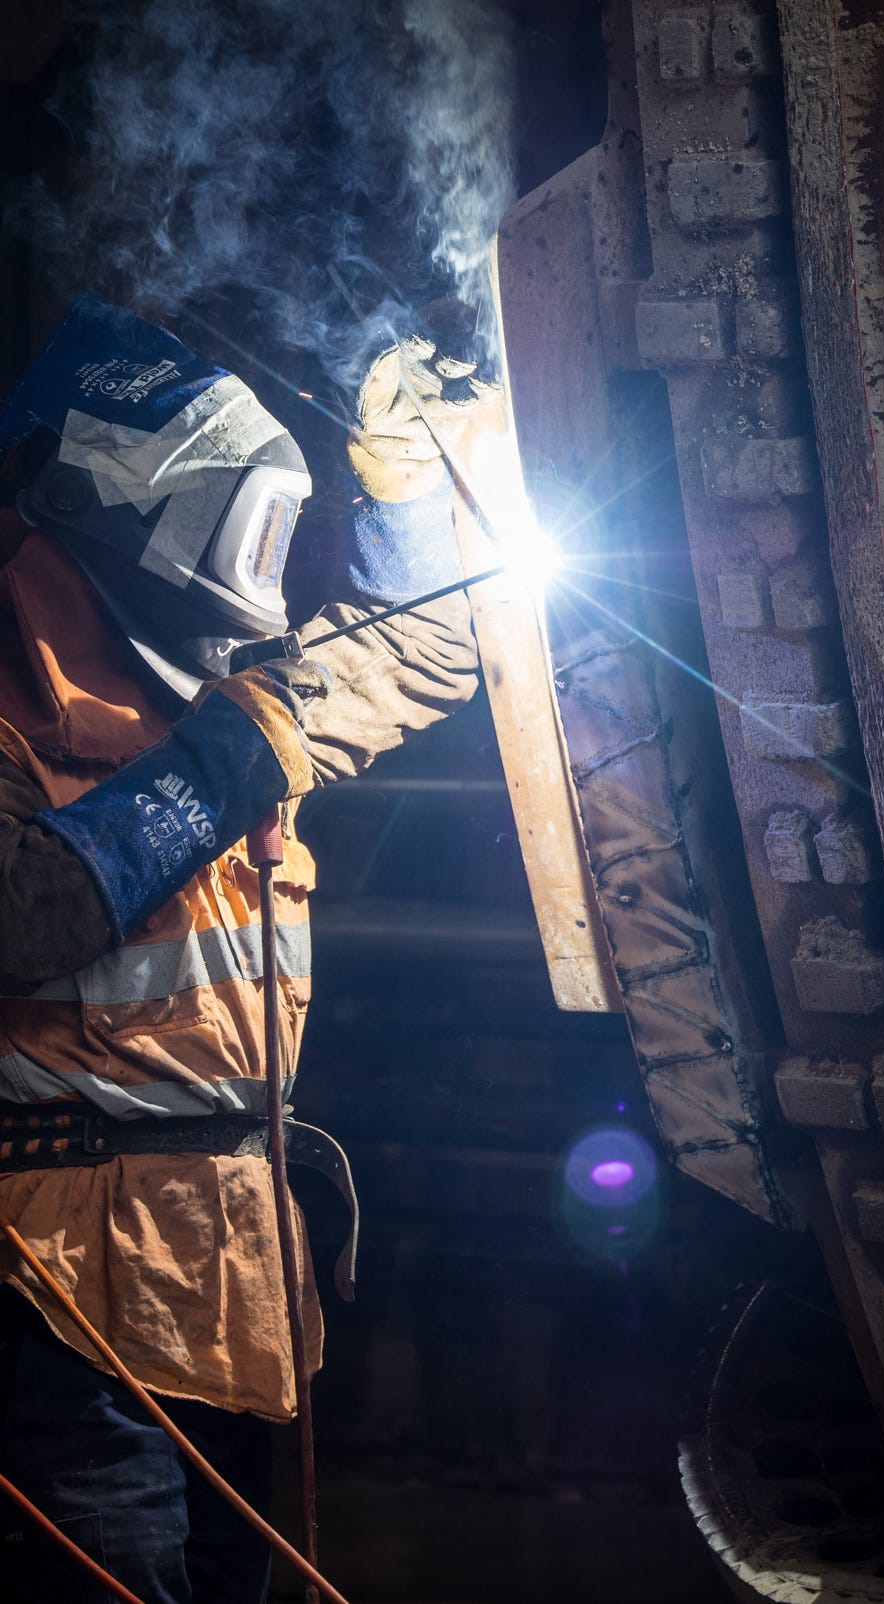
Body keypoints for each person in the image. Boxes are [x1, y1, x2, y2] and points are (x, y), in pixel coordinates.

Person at [0, 291, 499, 1602]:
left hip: (223, 1281)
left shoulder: (233, 707)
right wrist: (230, 759)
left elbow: (429, 643)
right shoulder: (57, 719)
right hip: (47, 1295)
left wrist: (397, 482)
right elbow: (19, 907)